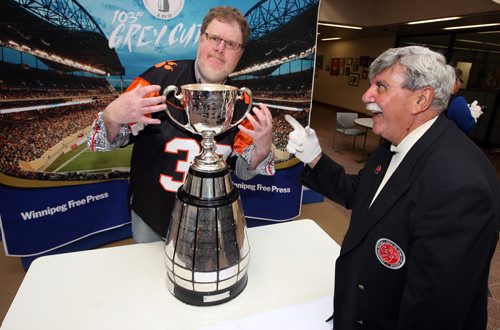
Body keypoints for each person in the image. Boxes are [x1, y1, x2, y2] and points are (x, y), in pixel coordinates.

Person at [285, 46, 499, 329]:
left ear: (421, 99)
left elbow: (433, 311)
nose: (366, 96)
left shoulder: (459, 187)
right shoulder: (395, 142)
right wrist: (315, 159)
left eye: (381, 87)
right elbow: (361, 194)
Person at [88, 6, 275, 243]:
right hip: (151, 217)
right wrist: (112, 116)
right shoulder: (158, 79)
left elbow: (243, 172)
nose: (220, 48)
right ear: (200, 39)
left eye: (231, 44)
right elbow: (109, 140)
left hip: (208, 222)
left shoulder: (242, 102)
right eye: (214, 38)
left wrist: (261, 151)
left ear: (240, 53)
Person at [446, 67, 479, 133]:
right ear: (456, 81)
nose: (460, 84)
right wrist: (473, 115)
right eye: (461, 81)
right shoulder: (457, 101)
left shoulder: (432, 95)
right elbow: (467, 126)